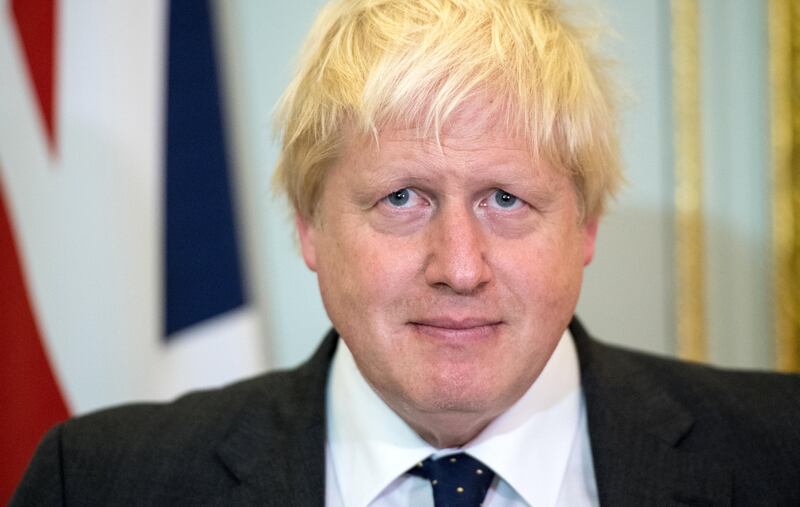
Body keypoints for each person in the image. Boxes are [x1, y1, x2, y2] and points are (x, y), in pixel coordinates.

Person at [12, 0, 800, 505]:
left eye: (506, 199)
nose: (459, 266)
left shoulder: (781, 452)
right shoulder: (100, 481)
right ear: (309, 225)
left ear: (586, 227)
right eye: (401, 199)